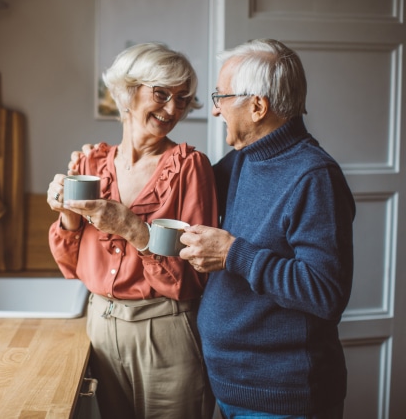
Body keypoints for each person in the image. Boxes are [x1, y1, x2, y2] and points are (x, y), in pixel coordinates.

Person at [179, 39, 355, 418]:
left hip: (284, 398)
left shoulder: (314, 177)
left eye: (221, 97)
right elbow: (183, 191)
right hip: (229, 385)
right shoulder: (243, 159)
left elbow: (326, 293)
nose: (214, 110)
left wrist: (233, 254)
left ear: (257, 106)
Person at [46, 42, 218, 419]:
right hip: (101, 328)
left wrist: (130, 226)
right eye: (161, 93)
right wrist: (67, 212)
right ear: (128, 91)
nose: (172, 109)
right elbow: (71, 266)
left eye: (183, 99)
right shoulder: (91, 161)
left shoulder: (190, 167)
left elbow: (191, 279)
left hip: (165, 329)